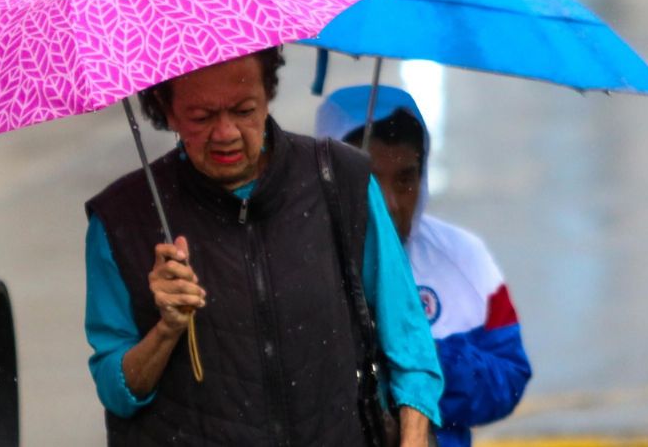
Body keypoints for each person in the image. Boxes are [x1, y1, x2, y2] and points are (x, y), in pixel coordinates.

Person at [83, 48, 443, 446]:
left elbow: (409, 345)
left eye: (243, 110)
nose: (227, 134)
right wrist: (166, 330)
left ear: (268, 92)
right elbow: (117, 392)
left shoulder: (340, 181)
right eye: (202, 117)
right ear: (165, 110)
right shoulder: (121, 219)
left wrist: (413, 438)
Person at [316, 85, 532, 447]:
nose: (387, 203)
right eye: (368, 181)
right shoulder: (294, 256)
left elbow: (510, 378)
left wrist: (418, 359)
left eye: (405, 179)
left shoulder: (465, 257)